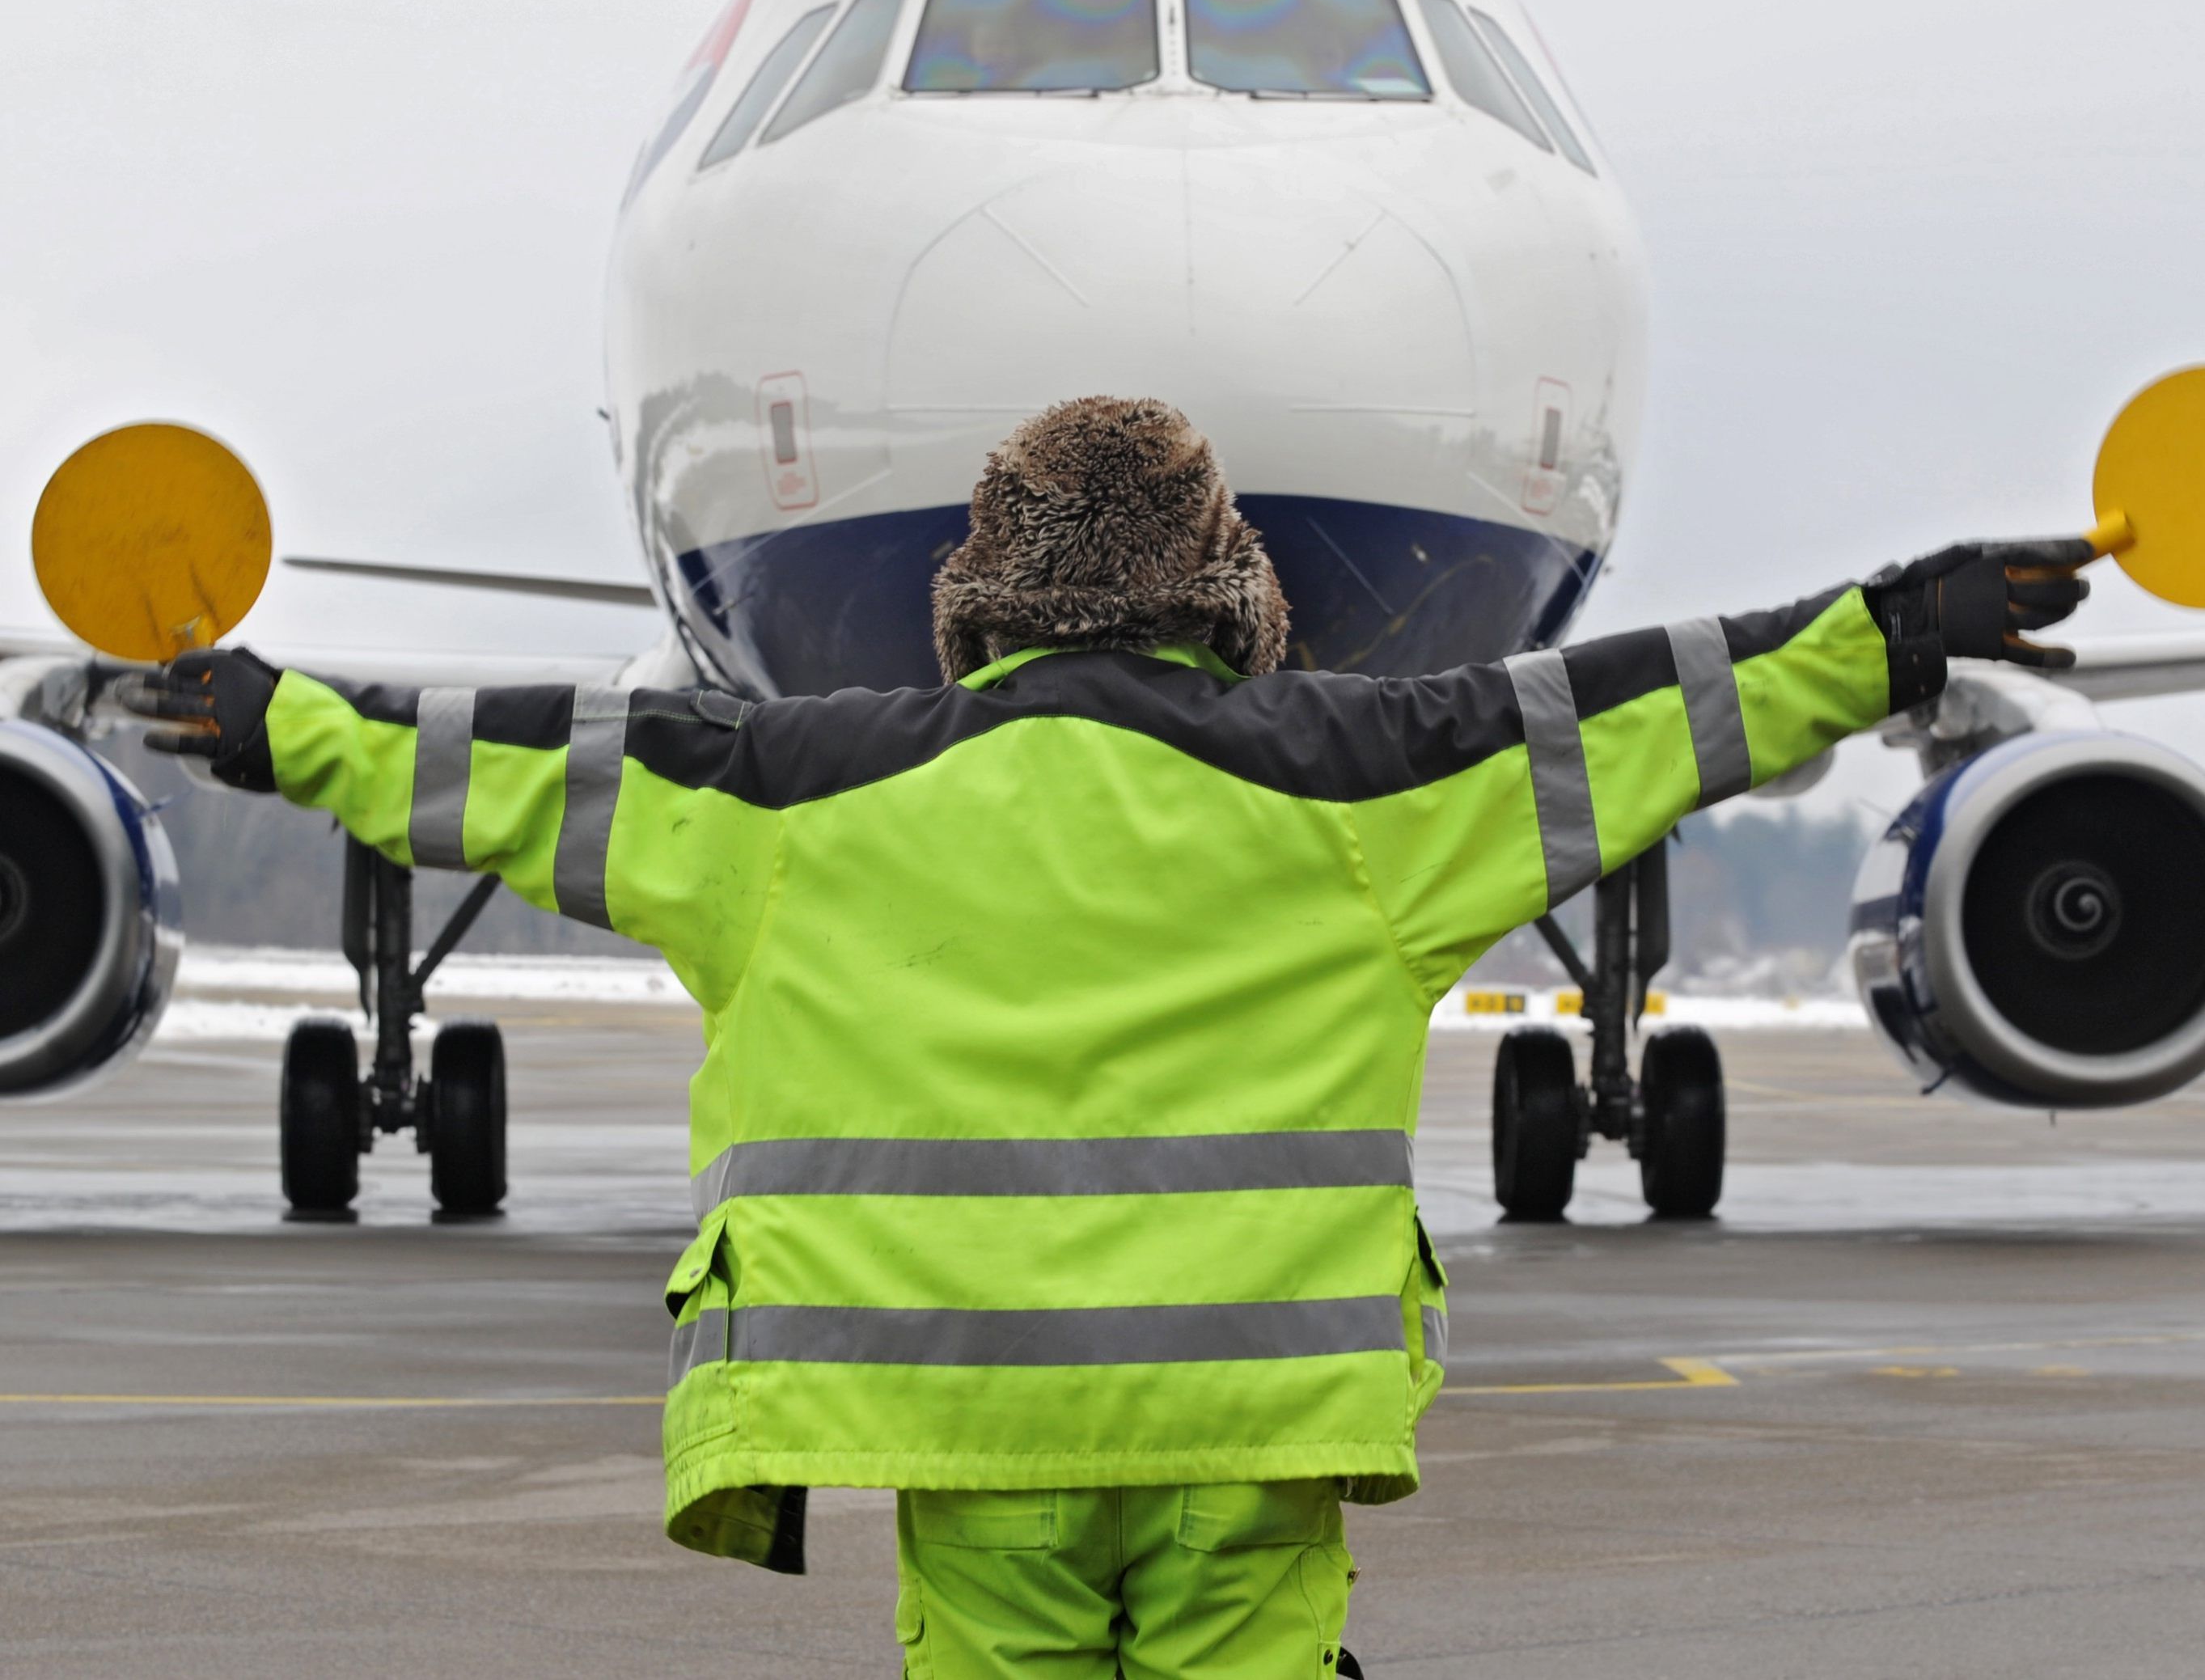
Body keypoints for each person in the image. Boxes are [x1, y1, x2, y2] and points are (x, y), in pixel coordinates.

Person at [121, 396, 2088, 1678]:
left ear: (974, 601)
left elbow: (489, 768)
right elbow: (1659, 706)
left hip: (970, 1441)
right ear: (1227, 589)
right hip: (1256, 1437)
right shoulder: (1371, 789)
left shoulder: (786, 801)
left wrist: (271, 714)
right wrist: (1896, 624)